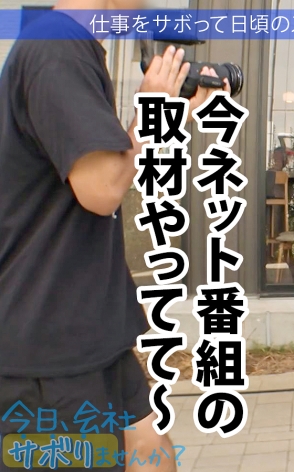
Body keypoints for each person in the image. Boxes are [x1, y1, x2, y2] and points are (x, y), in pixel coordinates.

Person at [0, 2, 228, 471]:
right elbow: (101, 189)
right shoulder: (56, 48)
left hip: (88, 331)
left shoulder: (71, 48)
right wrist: (153, 111)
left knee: (151, 452)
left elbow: (106, 169)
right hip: (48, 350)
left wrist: (167, 117)